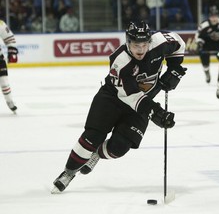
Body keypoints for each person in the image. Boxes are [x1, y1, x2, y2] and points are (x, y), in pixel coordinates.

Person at [51, 21, 186, 193]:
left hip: (143, 101)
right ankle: (68, 173)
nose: (141, 50)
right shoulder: (120, 61)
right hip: (112, 99)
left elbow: (179, 43)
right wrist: (156, 112)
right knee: (93, 137)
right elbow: (130, 96)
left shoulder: (160, 41)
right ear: (128, 42)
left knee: (119, 148)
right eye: (136, 45)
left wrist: (174, 67)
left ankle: (97, 155)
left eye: (144, 44)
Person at [195, 6, 219, 83]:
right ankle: (207, 72)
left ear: (218, 16)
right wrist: (199, 44)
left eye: (215, 16)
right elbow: (198, 36)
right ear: (209, 16)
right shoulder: (204, 25)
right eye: (212, 16)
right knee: (204, 57)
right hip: (207, 44)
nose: (214, 19)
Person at [0, 20, 18, 113]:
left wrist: (12, 50)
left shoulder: (1, 24)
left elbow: (9, 37)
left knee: (4, 82)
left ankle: (9, 101)